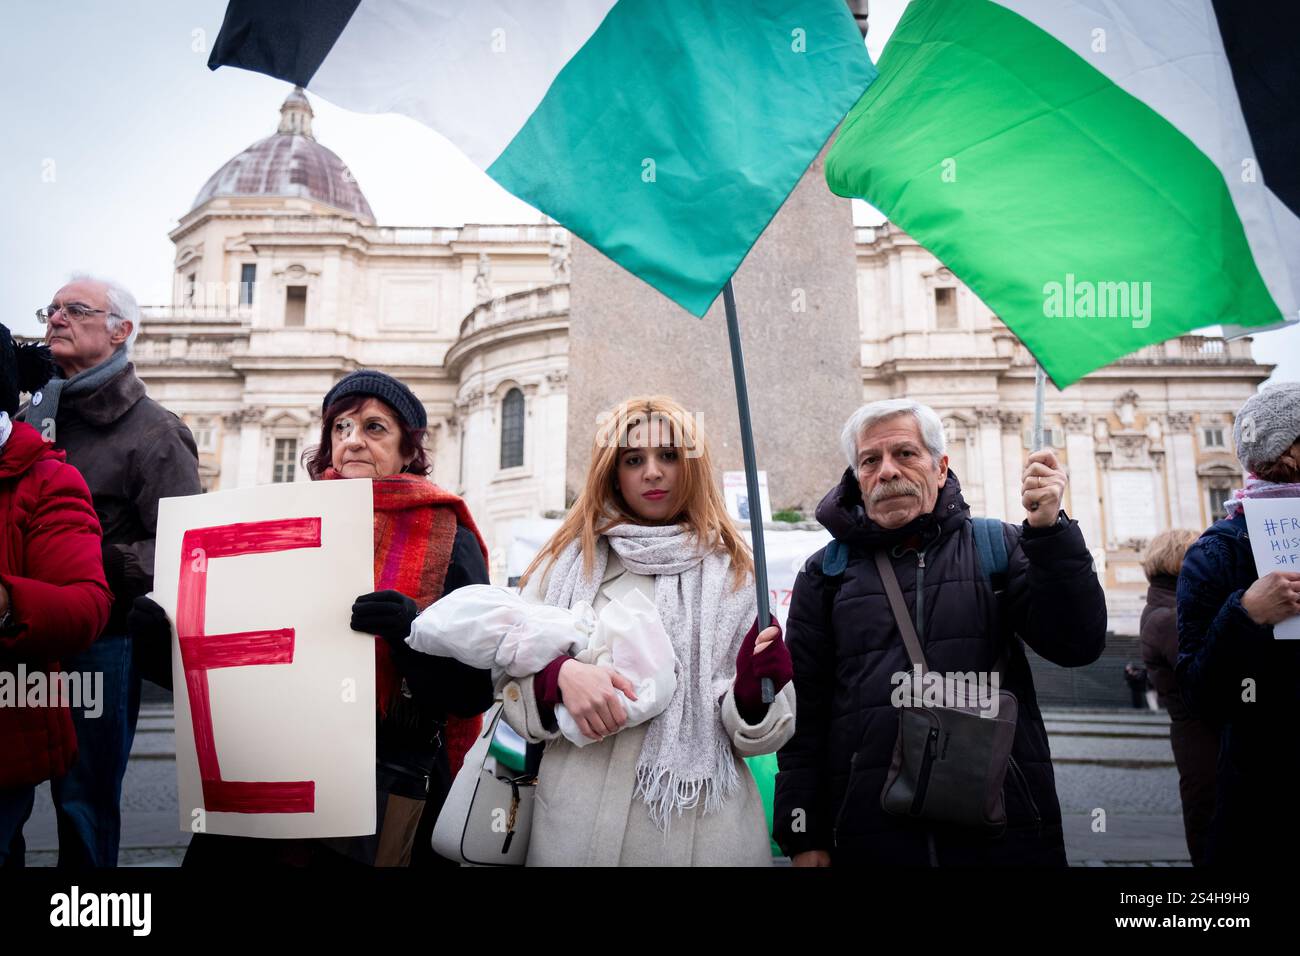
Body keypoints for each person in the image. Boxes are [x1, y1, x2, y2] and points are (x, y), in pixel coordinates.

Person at [131, 369, 493, 866]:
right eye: (339, 428)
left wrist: (411, 634)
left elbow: (473, 690)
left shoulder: (451, 536)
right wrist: (165, 646)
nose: (352, 442)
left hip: (382, 784)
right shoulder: (273, 525)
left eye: (374, 428)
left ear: (410, 450)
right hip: (270, 773)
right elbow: (237, 669)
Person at [775, 398, 1106, 866]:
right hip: (869, 832)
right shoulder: (824, 574)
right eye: (871, 460)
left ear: (939, 465)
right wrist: (802, 831)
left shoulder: (1001, 545)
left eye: (905, 454)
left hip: (1002, 828)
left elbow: (1077, 644)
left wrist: (1052, 534)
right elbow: (803, 713)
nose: (887, 470)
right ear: (857, 477)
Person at [495, 395, 795, 865]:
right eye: (634, 459)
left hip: (706, 834)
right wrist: (558, 678)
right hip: (579, 829)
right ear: (613, 471)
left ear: (691, 467)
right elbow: (505, 681)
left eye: (669, 456)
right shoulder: (564, 566)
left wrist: (755, 695)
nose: (652, 472)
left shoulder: (736, 575)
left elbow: (761, 734)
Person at [18, 274, 201, 867]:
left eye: (76, 309)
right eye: (51, 309)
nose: (55, 320)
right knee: (6, 795)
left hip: (101, 640)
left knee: (83, 803)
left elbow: (186, 549)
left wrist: (98, 562)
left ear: (121, 330)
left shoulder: (156, 431)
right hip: (18, 636)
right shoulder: (26, 417)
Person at [0, 325, 113, 866]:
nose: (58, 319)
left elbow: (87, 603)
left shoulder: (47, 480)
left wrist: (4, 601)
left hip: (11, 720)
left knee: (86, 804)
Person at [1177, 381, 1300, 865]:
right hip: (1269, 795)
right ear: (1286, 452)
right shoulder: (1216, 552)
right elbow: (1197, 692)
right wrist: (1245, 615)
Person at [1139, 528, 1215, 866]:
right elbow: (1213, 676)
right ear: (1182, 562)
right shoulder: (1170, 617)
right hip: (1206, 746)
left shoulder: (1172, 607)